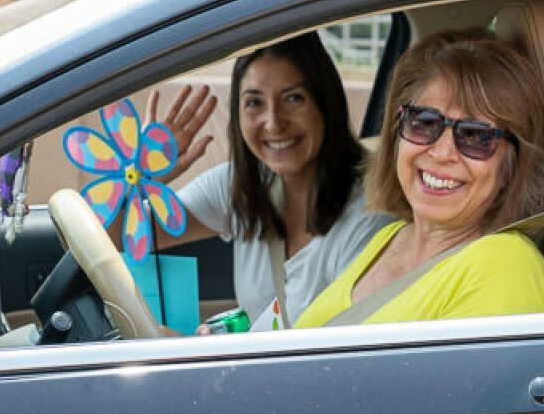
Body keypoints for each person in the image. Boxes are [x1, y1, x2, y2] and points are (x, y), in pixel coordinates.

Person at [295, 28, 544, 328]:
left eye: (476, 136)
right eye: (425, 122)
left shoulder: (504, 266)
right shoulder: (392, 236)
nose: (442, 152)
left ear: (510, 168)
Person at [151, 32, 391, 326]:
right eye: (254, 102)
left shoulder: (370, 215)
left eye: (293, 98)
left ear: (326, 102)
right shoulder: (239, 185)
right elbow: (119, 239)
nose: (274, 123)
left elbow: (347, 345)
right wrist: (146, 175)